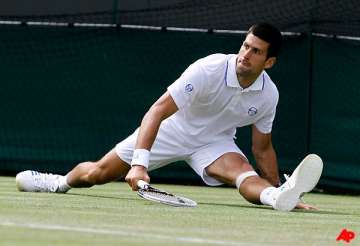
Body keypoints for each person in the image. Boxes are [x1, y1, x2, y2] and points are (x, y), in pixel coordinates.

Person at [15, 23, 323, 212]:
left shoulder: (269, 95)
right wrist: (139, 164)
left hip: (214, 142)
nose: (245, 54)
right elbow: (158, 111)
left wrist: (277, 188)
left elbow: (262, 148)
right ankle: (57, 183)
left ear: (269, 62)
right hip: (171, 129)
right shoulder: (209, 68)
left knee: (243, 173)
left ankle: (273, 196)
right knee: (96, 173)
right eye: (245, 45)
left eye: (256, 51)